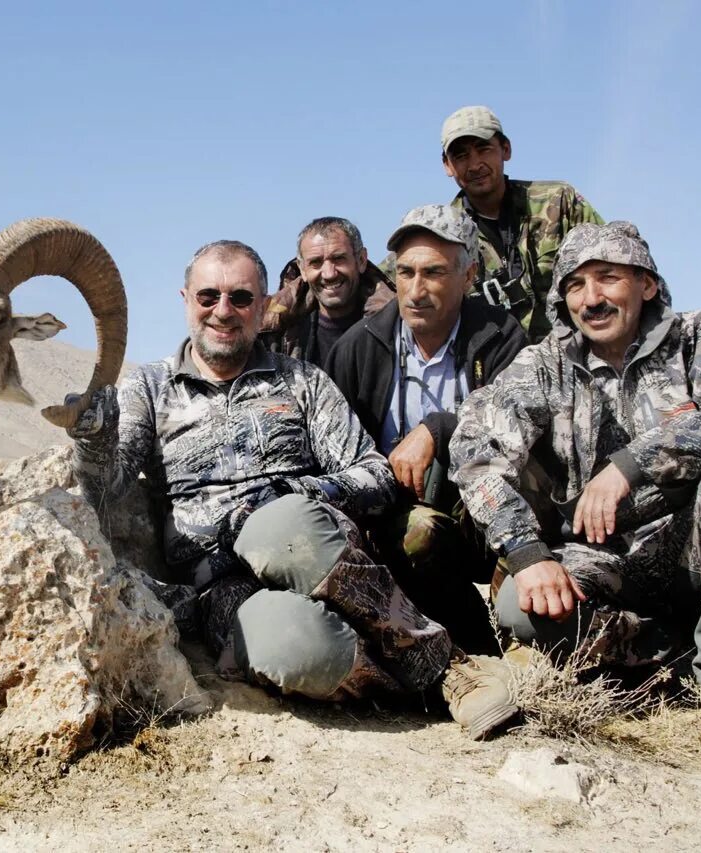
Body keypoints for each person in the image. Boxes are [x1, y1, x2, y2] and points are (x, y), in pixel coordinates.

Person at [70, 239, 518, 739]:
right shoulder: (148, 388)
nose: (223, 311)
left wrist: (290, 494)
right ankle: (411, 688)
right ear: (185, 300)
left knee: (278, 523)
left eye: (241, 298)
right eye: (208, 297)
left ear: (263, 306)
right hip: (220, 583)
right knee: (296, 649)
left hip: (311, 545)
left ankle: (449, 670)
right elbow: (107, 488)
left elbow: (373, 474)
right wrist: (91, 439)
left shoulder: (303, 382)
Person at [451, 221, 701, 762]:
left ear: (647, 284)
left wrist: (630, 465)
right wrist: (526, 552)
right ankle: (670, 652)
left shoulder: (697, 338)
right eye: (575, 286)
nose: (592, 298)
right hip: (601, 555)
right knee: (521, 608)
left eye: (607, 278)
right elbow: (474, 449)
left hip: (699, 548)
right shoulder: (546, 363)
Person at [328, 205, 526, 655]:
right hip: (404, 518)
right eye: (405, 272)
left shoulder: (502, 335)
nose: (415, 290)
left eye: (433, 273)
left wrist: (436, 428)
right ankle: (475, 646)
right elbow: (336, 449)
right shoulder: (357, 348)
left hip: (493, 505)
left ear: (469, 275)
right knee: (415, 531)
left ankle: (514, 612)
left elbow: (518, 415)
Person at [441, 105, 604, 342]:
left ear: (505, 149)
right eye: (461, 156)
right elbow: (387, 284)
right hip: (494, 369)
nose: (475, 165)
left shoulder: (560, 201)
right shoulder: (442, 234)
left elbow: (615, 266)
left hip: (574, 355)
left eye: (484, 149)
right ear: (447, 165)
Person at [262, 217, 392, 367]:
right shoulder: (272, 332)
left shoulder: (396, 328)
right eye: (316, 262)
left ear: (361, 260)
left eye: (338, 259)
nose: (329, 274)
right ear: (302, 269)